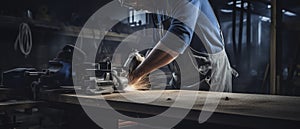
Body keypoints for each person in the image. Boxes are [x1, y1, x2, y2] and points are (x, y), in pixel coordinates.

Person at [119, 0, 237, 92]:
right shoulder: (156, 8)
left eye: (133, 2)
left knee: (209, 120)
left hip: (210, 75)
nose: (136, 7)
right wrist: (143, 59)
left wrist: (138, 73)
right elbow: (162, 44)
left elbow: (177, 39)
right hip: (183, 77)